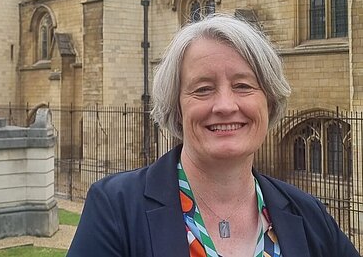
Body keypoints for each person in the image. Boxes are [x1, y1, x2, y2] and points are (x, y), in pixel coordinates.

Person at [67, 13, 359, 257]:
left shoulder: (309, 214)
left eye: (243, 85)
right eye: (203, 89)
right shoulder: (115, 208)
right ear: (177, 108)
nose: (225, 106)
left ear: (268, 102)